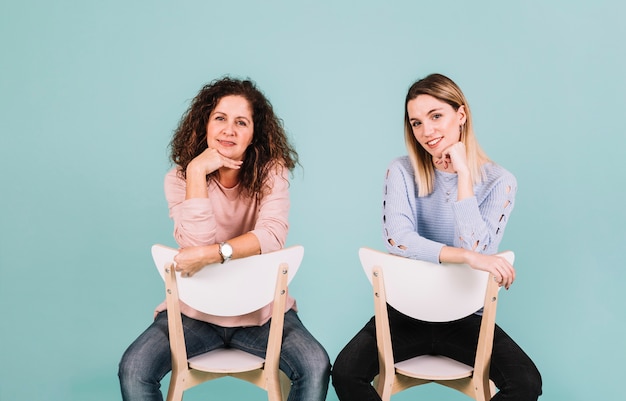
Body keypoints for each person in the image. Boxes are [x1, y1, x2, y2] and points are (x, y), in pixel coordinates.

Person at [331, 73, 542, 401]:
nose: (426, 132)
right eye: (416, 123)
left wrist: (463, 177)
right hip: (404, 312)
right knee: (345, 372)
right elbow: (398, 239)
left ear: (461, 115)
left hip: (465, 318)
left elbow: (476, 245)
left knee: (526, 382)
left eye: (436, 116)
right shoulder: (401, 170)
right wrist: (466, 258)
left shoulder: (501, 181)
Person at [118, 77, 331, 401]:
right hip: (194, 315)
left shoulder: (272, 173)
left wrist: (217, 253)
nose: (229, 130)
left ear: (254, 133)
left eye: (241, 122)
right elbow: (195, 245)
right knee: (135, 368)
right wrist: (195, 174)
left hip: (263, 314)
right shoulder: (180, 178)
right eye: (220, 118)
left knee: (315, 364)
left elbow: (272, 235)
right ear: (204, 124)